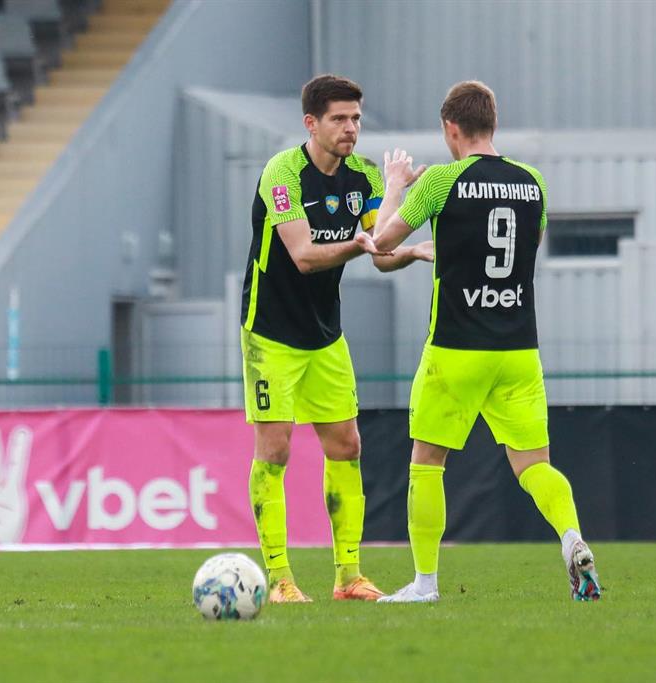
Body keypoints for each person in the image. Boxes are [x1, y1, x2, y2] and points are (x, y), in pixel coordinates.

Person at [370, 81, 602, 603]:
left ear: (451, 128)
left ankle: (425, 584)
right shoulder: (533, 183)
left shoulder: (441, 182)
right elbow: (529, 247)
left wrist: (395, 187)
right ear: (493, 124)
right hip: (518, 349)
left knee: (427, 462)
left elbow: (379, 245)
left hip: (456, 347)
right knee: (534, 465)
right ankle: (572, 537)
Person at [240, 74, 434, 603]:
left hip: (325, 335)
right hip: (270, 333)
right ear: (312, 123)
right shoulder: (283, 173)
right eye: (339, 119)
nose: (351, 128)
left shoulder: (363, 175)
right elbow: (304, 256)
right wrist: (362, 244)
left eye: (356, 118)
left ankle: (348, 576)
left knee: (347, 445)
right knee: (275, 449)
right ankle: (280, 579)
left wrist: (409, 244)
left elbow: (381, 250)